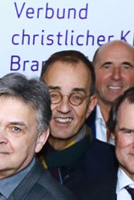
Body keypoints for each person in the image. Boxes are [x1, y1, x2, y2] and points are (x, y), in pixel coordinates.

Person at [39, 50, 117, 187]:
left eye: (76, 97)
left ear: (90, 106)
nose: (64, 108)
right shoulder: (16, 155)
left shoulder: (112, 166)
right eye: (54, 95)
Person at [88, 41, 134, 144]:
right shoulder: (76, 122)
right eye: (107, 66)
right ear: (92, 73)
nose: (116, 76)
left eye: (125, 67)